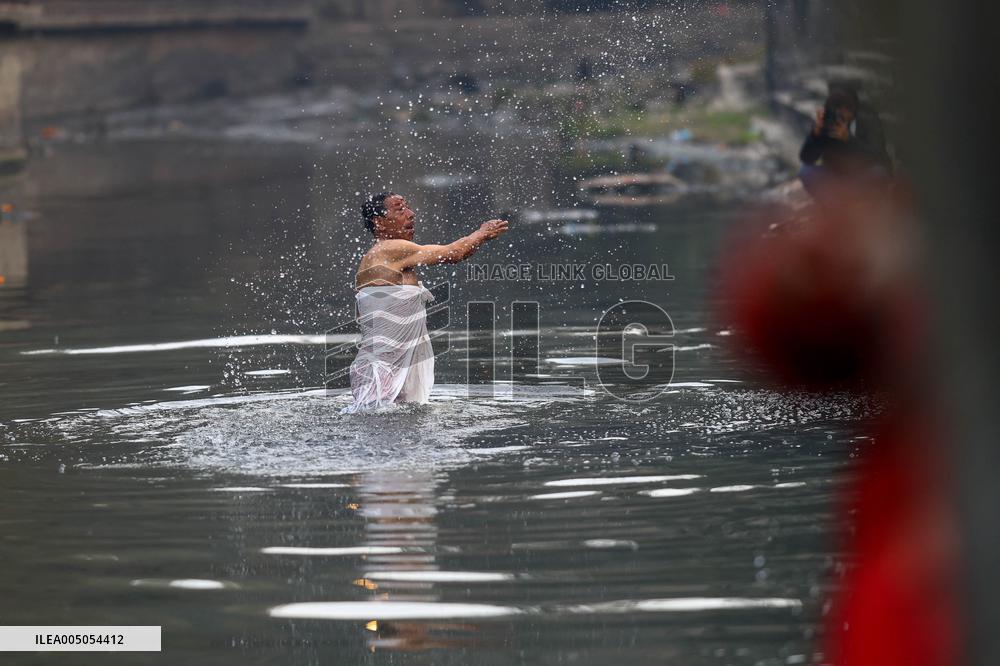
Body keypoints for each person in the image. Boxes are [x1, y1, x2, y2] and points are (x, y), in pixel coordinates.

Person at [342, 192, 509, 413]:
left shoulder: (392, 255)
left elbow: (456, 254)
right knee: (383, 430)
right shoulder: (388, 249)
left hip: (392, 369)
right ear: (379, 222)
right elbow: (454, 253)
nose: (411, 215)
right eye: (400, 210)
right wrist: (481, 233)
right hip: (381, 372)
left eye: (408, 208)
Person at [799, 86, 892, 199]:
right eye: (835, 112)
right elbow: (806, 158)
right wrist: (816, 133)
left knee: (879, 173)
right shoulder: (828, 122)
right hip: (838, 177)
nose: (839, 118)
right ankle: (837, 204)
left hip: (862, 174)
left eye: (843, 114)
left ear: (852, 113)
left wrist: (848, 139)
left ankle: (861, 203)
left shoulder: (867, 120)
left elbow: (877, 157)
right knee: (806, 171)